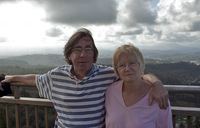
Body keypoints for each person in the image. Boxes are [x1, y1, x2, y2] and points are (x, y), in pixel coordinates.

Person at [2, 28, 169, 128]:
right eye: (78, 49)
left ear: (94, 54)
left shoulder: (107, 75)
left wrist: (155, 82)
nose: (83, 54)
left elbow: (131, 73)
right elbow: (33, 79)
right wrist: (6, 78)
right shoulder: (56, 76)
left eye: (88, 49)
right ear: (69, 54)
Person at [105, 44, 173, 128]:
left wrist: (156, 84)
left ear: (141, 65)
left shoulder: (158, 97)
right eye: (122, 65)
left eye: (132, 63)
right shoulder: (111, 92)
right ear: (117, 69)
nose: (127, 69)